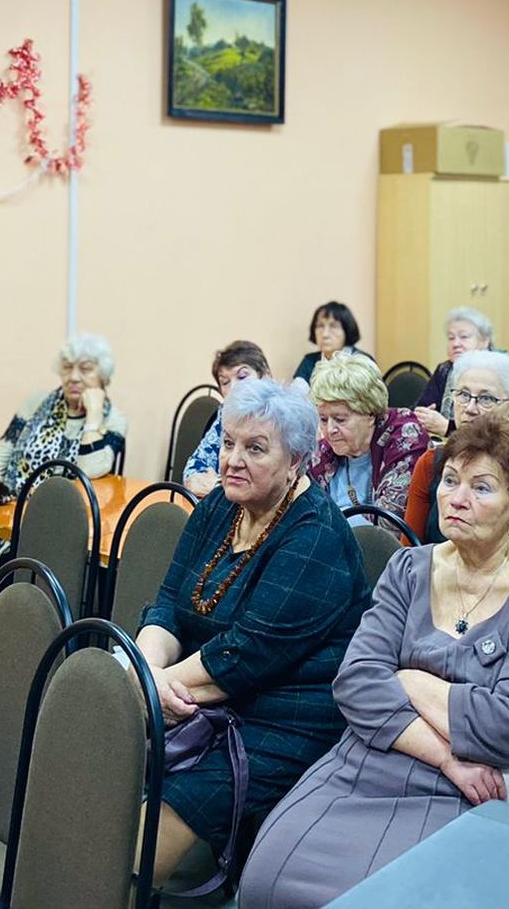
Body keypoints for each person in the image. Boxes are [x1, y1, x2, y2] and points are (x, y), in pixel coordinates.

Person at [238, 416, 509, 908]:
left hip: (482, 787)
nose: (457, 499)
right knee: (268, 878)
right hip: (379, 759)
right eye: (450, 481)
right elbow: (356, 683)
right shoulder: (409, 567)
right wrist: (447, 757)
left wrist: (412, 680)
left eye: (481, 487)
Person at [137, 377, 370, 885]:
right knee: (95, 759)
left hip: (281, 720)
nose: (232, 461)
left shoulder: (315, 535)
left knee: (150, 829)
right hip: (201, 695)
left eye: (255, 448)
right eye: (228, 443)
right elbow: (170, 600)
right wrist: (147, 670)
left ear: (296, 462)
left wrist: (149, 688)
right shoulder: (223, 504)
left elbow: (243, 655)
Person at [404, 350, 509, 566]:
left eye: (486, 399)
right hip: (430, 580)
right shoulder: (430, 462)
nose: (470, 409)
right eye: (463, 395)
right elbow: (409, 555)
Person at [0, 333, 128, 566]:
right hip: (12, 510)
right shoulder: (37, 403)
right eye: (67, 368)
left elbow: (90, 469)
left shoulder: (112, 420)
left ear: (103, 375)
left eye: (85, 369)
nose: (74, 377)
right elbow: (3, 455)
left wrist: (94, 415)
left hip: (62, 522)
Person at [308, 353, 428, 519]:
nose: (329, 430)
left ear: (370, 414)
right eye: (323, 419)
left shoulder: (406, 439)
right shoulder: (323, 454)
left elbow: (390, 522)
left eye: (340, 419)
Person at [182, 340, 271, 499]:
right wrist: (195, 480)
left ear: (265, 376)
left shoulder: (280, 419)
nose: (233, 388)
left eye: (242, 376)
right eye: (225, 382)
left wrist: (218, 485)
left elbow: (268, 485)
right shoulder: (225, 414)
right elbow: (194, 467)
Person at [411, 305, 493, 439]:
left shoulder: (499, 375)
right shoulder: (444, 370)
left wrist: (447, 427)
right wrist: (424, 416)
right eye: (451, 338)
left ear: (484, 342)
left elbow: (496, 430)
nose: (456, 344)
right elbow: (421, 408)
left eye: (464, 337)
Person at [292, 301, 374, 383]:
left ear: (347, 330)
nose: (325, 334)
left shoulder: (363, 361)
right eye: (320, 326)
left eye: (333, 326)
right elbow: (298, 389)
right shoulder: (309, 361)